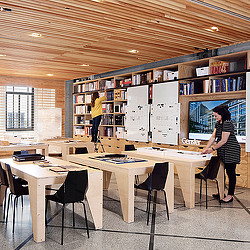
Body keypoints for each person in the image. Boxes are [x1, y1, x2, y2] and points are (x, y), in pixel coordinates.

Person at [202, 105, 240, 203]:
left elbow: (223, 140)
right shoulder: (218, 123)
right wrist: (206, 148)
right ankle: (221, 192)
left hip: (231, 151)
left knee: (230, 173)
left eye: (216, 116)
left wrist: (212, 149)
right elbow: (213, 137)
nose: (215, 118)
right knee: (220, 172)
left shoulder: (227, 123)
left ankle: (230, 195)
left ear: (221, 114)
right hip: (222, 150)